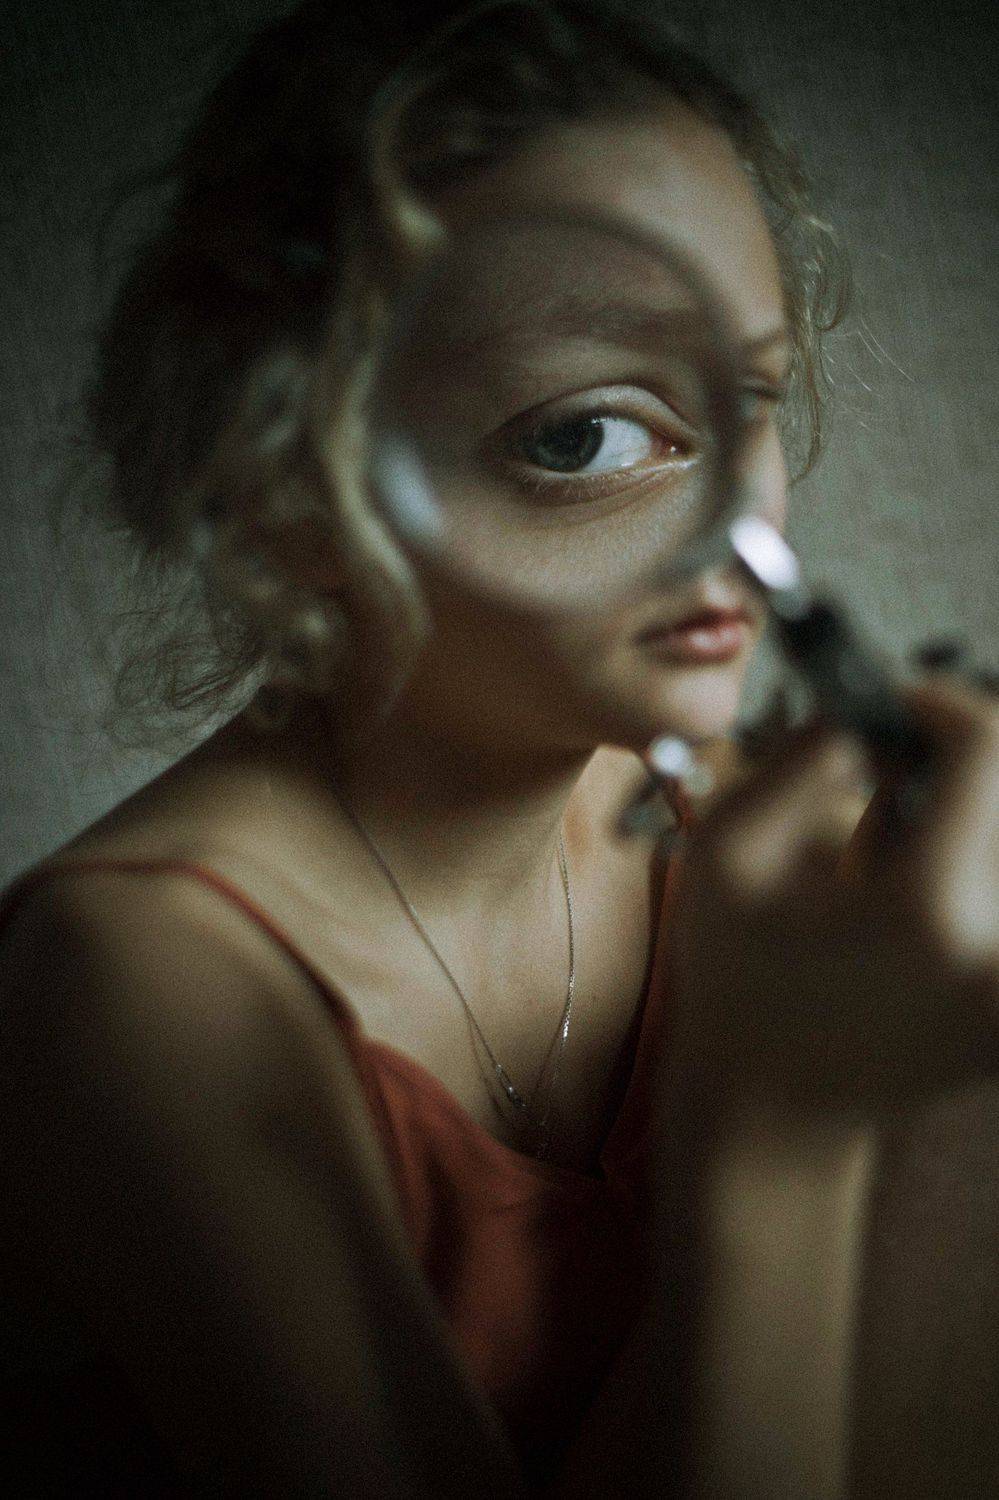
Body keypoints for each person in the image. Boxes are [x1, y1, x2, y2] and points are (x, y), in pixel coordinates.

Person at [2, 2, 997, 1495]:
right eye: (583, 436)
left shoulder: (778, 864)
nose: (747, 528)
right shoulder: (134, 981)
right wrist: (781, 1131)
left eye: (751, 398)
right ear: (289, 495)